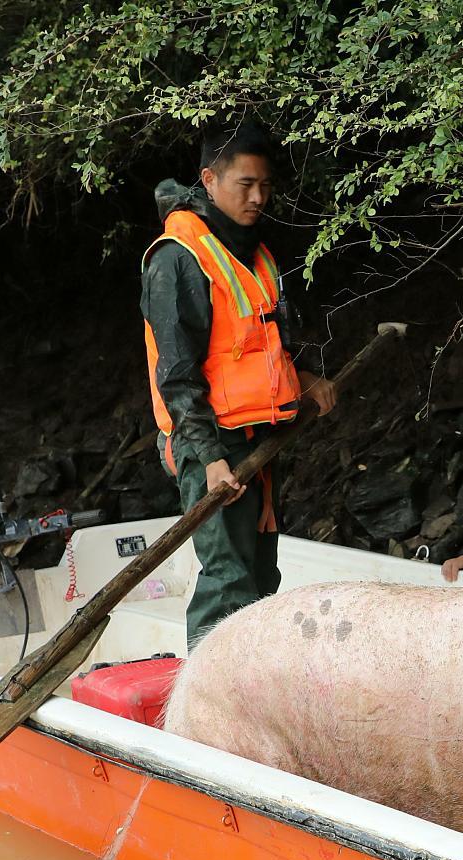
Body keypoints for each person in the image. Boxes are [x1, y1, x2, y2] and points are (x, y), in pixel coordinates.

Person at [141, 124, 337, 644]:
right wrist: (208, 458)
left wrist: (306, 379)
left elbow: (257, 345)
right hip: (208, 440)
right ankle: (206, 712)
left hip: (257, 437)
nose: (257, 197)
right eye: (244, 184)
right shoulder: (179, 258)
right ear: (209, 179)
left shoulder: (250, 250)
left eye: (265, 186)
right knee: (226, 580)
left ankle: (252, 694)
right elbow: (177, 374)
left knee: (260, 577)